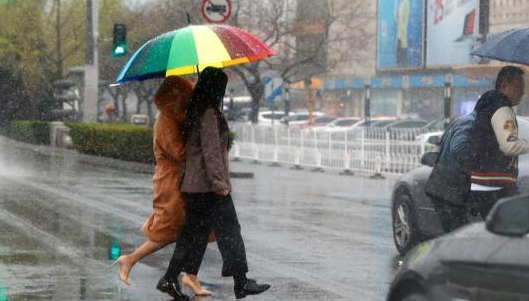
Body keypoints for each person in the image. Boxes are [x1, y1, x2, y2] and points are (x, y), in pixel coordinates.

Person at [156, 67, 270, 301]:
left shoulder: (197, 110)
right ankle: (241, 282)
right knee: (229, 231)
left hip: (196, 187)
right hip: (209, 187)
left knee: (193, 236)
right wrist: (220, 183)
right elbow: (211, 153)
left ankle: (170, 278)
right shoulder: (208, 112)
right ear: (216, 89)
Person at [110, 76, 212, 296]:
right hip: (172, 182)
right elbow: (181, 153)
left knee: (196, 228)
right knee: (170, 231)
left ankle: (190, 277)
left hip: (185, 179)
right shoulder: (166, 121)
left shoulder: (176, 118)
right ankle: (130, 259)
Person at [467, 66, 528, 218]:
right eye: (518, 86)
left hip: (482, 183)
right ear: (504, 85)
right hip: (496, 184)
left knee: (496, 232)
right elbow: (509, 146)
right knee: (514, 228)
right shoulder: (502, 109)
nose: (522, 92)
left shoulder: (487, 105)